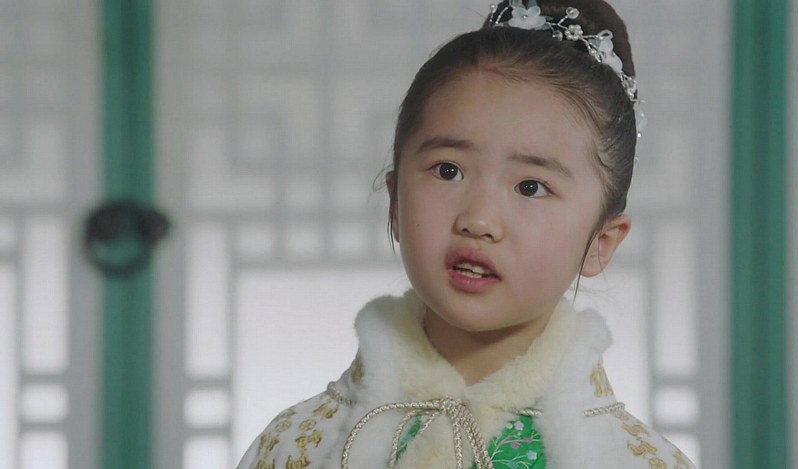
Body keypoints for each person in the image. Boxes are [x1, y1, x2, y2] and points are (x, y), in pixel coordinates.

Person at [237, 0, 695, 467]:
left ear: (601, 243)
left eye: (531, 187)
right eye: (448, 170)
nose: (478, 220)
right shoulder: (295, 445)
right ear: (395, 202)